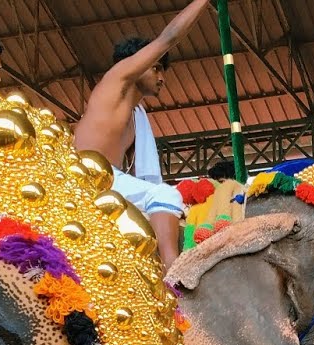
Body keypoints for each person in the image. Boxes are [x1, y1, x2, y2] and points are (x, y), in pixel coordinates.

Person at [74, 0, 211, 270]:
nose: (162, 77)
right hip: (83, 177)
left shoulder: (137, 115)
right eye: (156, 67)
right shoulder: (117, 79)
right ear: (135, 64)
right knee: (166, 196)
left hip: (111, 183)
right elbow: (169, 37)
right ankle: (172, 270)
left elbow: (140, 178)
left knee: (164, 200)